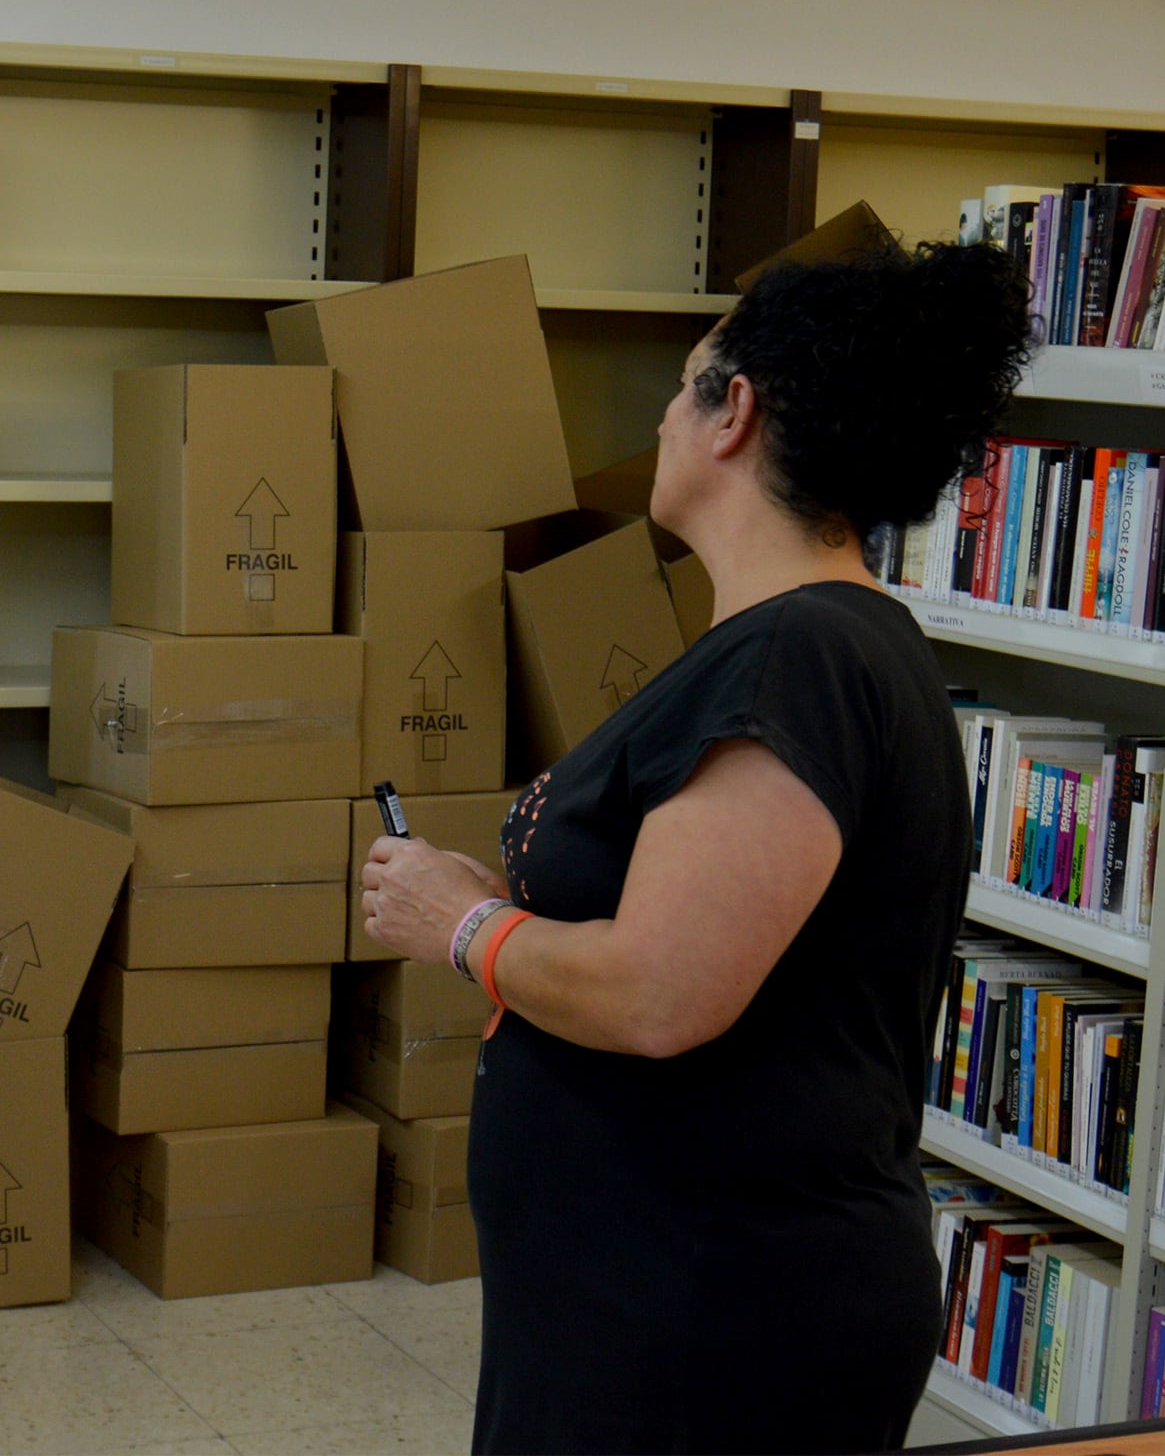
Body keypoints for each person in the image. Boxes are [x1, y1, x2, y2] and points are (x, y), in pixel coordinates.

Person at [359, 241, 1033, 1455]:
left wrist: (458, 926)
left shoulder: (801, 657)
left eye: (685, 385)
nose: (664, 417)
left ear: (737, 414)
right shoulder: (812, 643)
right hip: (660, 1286)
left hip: (709, 1308)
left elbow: (663, 992)